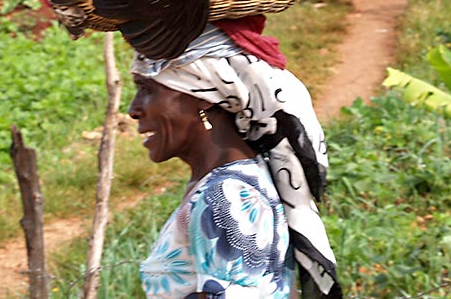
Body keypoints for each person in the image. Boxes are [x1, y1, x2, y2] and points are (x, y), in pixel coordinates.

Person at [129, 18, 342, 299]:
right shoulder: (223, 184)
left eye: (147, 89)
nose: (133, 109)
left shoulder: (228, 196)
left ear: (204, 94)